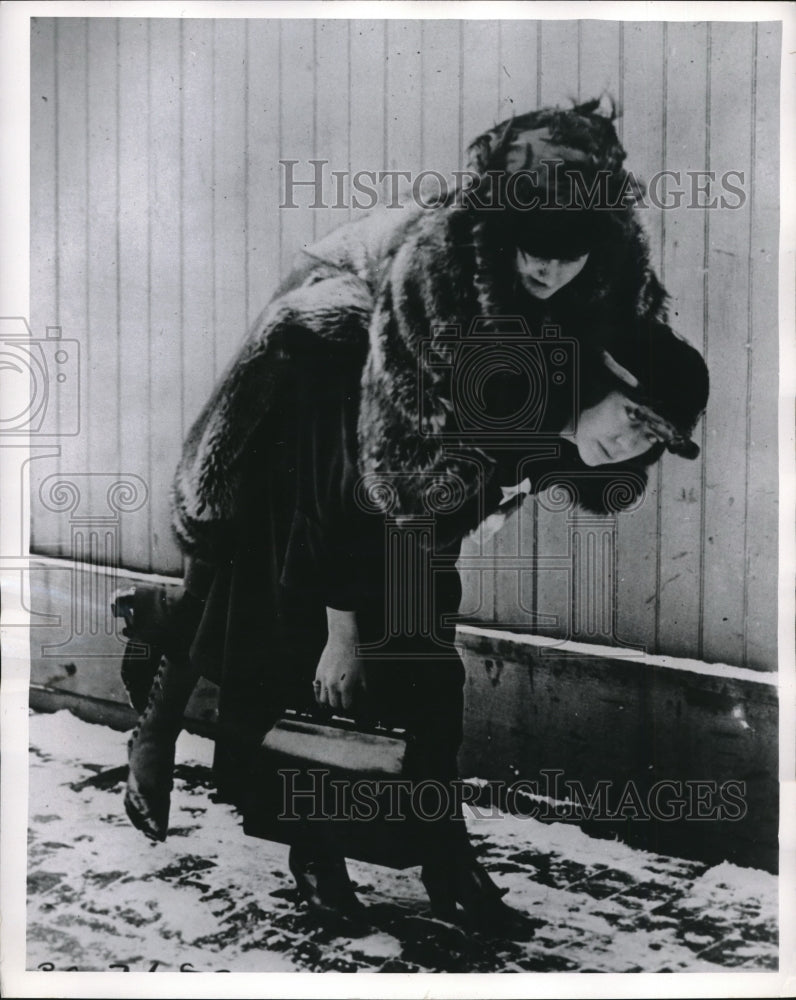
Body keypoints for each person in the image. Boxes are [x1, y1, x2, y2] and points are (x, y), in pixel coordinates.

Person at [114, 98, 709, 937]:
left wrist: (587, 442)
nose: (546, 269)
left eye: (566, 255)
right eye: (530, 249)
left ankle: (442, 856)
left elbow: (644, 398)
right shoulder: (435, 275)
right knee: (287, 621)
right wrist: (345, 628)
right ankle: (300, 837)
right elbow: (376, 479)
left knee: (423, 662)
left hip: (436, 445)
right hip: (327, 373)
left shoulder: (612, 285)